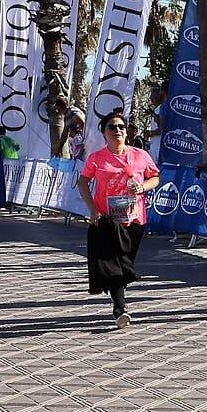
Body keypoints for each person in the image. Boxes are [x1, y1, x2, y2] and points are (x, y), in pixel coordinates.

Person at [77, 112, 163, 328]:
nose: (117, 131)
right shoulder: (96, 158)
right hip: (107, 221)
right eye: (112, 127)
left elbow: (155, 177)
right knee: (113, 264)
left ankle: (118, 299)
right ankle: (120, 308)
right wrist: (93, 210)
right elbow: (83, 182)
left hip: (135, 220)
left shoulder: (141, 155)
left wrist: (143, 186)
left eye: (121, 127)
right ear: (104, 132)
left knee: (126, 264)